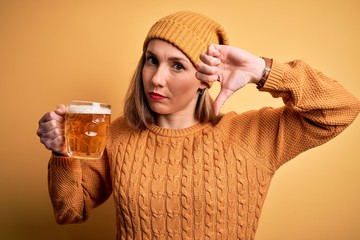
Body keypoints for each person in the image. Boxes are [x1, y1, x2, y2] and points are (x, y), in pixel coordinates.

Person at [37, 11, 360, 239]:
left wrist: (262, 70)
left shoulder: (252, 135)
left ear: (206, 78)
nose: (157, 78)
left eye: (177, 65)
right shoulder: (117, 135)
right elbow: (70, 212)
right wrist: (64, 154)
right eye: (152, 59)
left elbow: (342, 108)